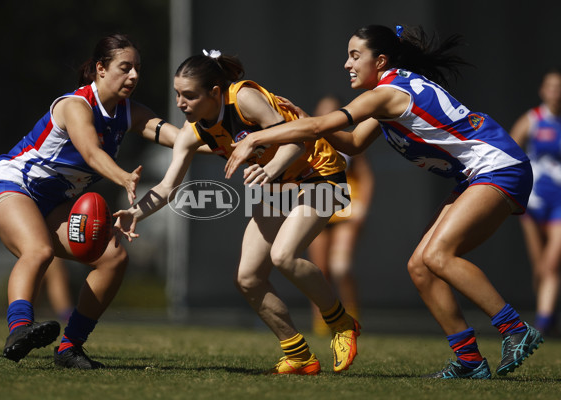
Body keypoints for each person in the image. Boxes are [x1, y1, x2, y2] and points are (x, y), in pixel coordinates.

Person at [224, 24, 544, 379]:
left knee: (438, 256)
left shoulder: (385, 93)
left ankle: (515, 329)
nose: (347, 64)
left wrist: (257, 138)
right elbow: (353, 143)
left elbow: (321, 129)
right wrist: (302, 118)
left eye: (355, 56)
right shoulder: (389, 93)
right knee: (420, 266)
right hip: (479, 174)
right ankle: (469, 360)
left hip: (499, 165)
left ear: (380, 60)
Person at [114, 50, 361, 375]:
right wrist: (135, 213)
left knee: (283, 256)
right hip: (279, 183)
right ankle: (299, 355)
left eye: (189, 95)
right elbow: (166, 187)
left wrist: (270, 169)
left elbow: (297, 141)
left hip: (321, 172)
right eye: (177, 94)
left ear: (214, 92)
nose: (180, 103)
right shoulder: (193, 132)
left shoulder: (244, 97)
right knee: (247, 278)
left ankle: (342, 323)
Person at [0, 33, 180, 369]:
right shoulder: (76, 105)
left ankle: (69, 348)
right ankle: (18, 330)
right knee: (38, 250)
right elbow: (90, 151)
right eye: (125, 67)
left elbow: (178, 137)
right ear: (101, 69)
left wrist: (226, 144)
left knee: (114, 258)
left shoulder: (128, 113)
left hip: (53, 200)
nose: (134, 76)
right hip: (9, 184)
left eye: (137, 69)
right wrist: (124, 177)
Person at [305, 95, 374, 336]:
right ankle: (322, 322)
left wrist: (362, 207)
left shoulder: (348, 142)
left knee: (340, 266)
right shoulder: (308, 141)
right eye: (322, 113)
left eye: (332, 113)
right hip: (317, 207)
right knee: (318, 270)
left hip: (345, 209)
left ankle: (352, 319)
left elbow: (365, 176)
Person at [510, 67, 561, 336]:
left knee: (552, 263)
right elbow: (509, 151)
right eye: (551, 87)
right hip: (533, 202)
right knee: (539, 265)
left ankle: (542, 321)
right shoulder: (532, 120)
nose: (556, 92)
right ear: (543, 90)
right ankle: (546, 315)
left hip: (559, 202)